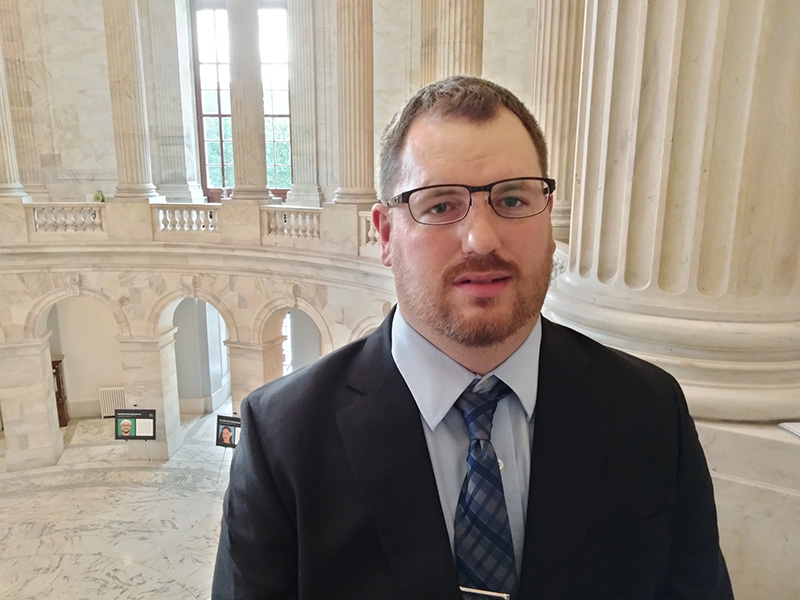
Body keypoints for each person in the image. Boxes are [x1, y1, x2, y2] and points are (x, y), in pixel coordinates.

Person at [212, 76, 733, 599]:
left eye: (511, 199)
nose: (482, 239)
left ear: (548, 217)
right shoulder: (284, 436)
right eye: (440, 205)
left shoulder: (647, 409)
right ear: (387, 234)